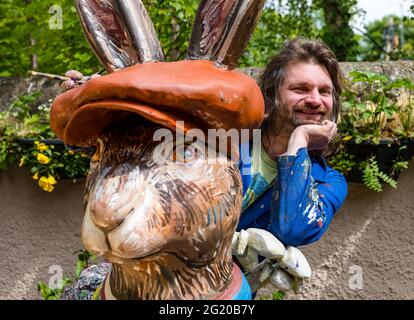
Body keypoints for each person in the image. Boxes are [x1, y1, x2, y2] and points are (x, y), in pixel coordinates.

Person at [237, 37, 348, 247]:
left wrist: (300, 138)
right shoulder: (229, 142)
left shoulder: (328, 182)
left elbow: (292, 230)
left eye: (324, 91)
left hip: (234, 277)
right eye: (300, 89)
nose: (315, 100)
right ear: (271, 96)